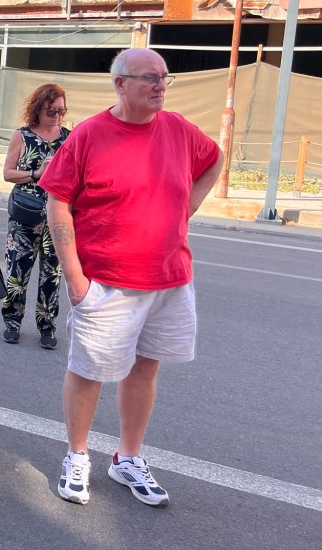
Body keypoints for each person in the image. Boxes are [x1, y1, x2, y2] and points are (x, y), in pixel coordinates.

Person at [41, 48, 222, 508]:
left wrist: (186, 208)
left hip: (169, 278)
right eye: (149, 78)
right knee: (89, 371)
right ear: (120, 84)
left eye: (164, 77)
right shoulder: (90, 134)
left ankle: (128, 457)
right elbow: (57, 201)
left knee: (146, 368)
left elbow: (214, 159)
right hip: (106, 281)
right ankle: (77, 455)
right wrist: (74, 277)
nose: (160, 86)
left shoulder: (179, 129)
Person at [1, 84, 70, 349]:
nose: (57, 116)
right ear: (38, 109)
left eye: (61, 111)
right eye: (51, 111)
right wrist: (36, 174)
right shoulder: (22, 136)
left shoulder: (69, 138)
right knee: (17, 271)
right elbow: (8, 173)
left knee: (52, 275)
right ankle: (12, 323)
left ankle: (47, 327)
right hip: (24, 215)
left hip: (58, 217)